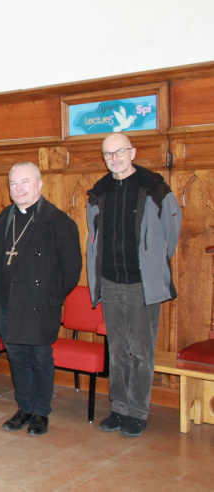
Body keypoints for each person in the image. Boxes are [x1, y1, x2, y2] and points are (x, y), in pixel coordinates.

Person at [88, 132, 182, 437]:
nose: (114, 158)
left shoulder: (154, 188)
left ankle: (138, 411)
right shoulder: (99, 192)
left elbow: (170, 232)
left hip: (142, 283)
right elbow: (95, 237)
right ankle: (119, 408)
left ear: (133, 152)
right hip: (111, 280)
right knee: (117, 350)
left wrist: (153, 260)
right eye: (108, 154)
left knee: (141, 351)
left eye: (119, 152)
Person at [0, 162, 82, 436]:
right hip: (8, 303)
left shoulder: (59, 222)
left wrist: (50, 296)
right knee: (17, 357)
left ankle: (40, 412)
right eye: (14, 183)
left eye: (25, 182)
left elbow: (71, 269)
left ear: (40, 184)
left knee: (39, 357)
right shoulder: (4, 219)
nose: (19, 188)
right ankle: (24, 407)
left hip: (40, 304)